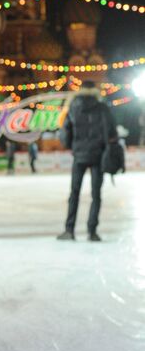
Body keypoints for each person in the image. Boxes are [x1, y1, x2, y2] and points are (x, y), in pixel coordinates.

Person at [57, 80, 118, 242]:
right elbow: (111, 130)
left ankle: (69, 230)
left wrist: (71, 146)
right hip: (98, 155)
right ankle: (92, 231)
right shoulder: (102, 108)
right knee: (96, 195)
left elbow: (65, 131)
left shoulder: (73, 106)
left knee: (74, 193)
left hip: (79, 155)